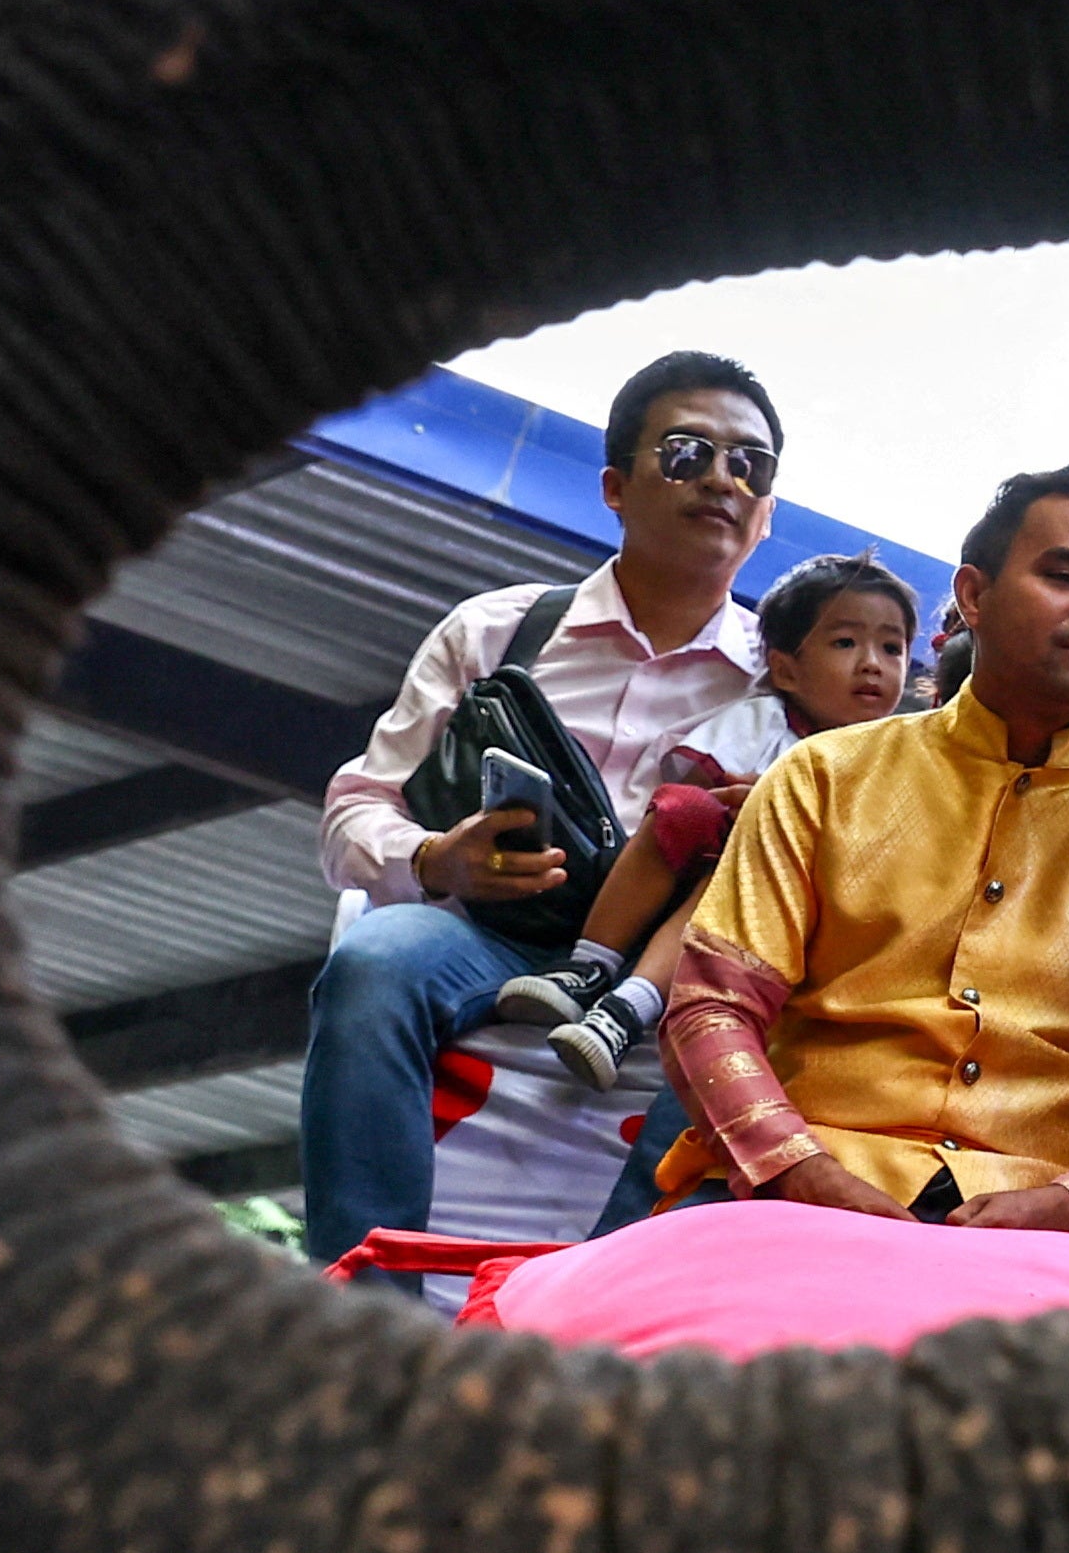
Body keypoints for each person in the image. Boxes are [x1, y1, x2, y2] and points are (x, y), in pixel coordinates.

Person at [641, 462, 1069, 1239]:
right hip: (791, 1197)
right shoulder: (822, 777)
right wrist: (800, 1170)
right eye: (1064, 575)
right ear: (973, 595)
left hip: (1041, 1238)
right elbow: (711, 1007)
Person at [297, 351, 784, 1276]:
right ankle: (367, 1294)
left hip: (671, 977)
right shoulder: (498, 631)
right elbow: (356, 806)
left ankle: (601, 1309)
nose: (723, 478)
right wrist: (441, 859)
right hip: (491, 937)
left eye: (749, 465)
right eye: (687, 453)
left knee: (747, 1052)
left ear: (767, 516)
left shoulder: (794, 678)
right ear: (614, 485)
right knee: (372, 964)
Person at [489, 550, 919, 1085]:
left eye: (892, 647)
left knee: (747, 862)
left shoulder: (895, 765)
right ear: (785, 668)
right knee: (682, 810)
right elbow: (693, 792)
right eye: (845, 643)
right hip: (691, 880)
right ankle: (588, 964)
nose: (873, 663)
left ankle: (628, 1008)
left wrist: (778, 819)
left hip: (773, 925)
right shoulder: (764, 723)